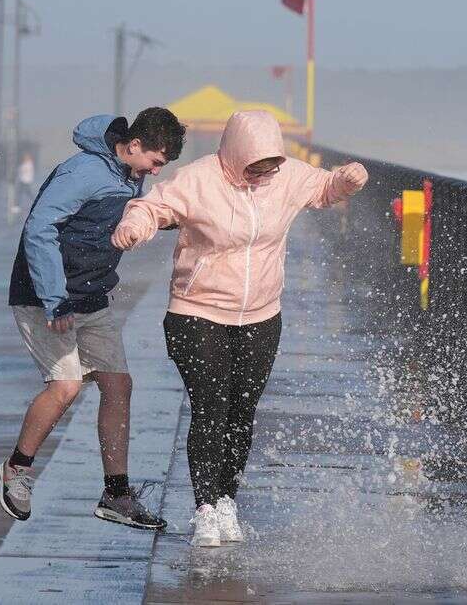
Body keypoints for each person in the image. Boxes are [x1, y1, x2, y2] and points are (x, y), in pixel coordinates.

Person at [111, 110, 368, 547]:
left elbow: (324, 189)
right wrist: (134, 226)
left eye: (271, 163)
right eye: (256, 164)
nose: (264, 172)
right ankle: (206, 509)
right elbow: (151, 206)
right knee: (210, 409)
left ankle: (228, 500)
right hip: (197, 312)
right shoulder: (199, 179)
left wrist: (346, 181)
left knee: (241, 413)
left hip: (261, 316)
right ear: (235, 154)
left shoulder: (285, 176)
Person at [0, 107, 186, 530]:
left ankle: (116, 496)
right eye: (155, 162)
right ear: (134, 145)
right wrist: (54, 298)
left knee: (118, 384)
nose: (154, 173)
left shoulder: (128, 173)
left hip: (91, 296)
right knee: (65, 386)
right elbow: (38, 229)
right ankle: (17, 469)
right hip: (46, 298)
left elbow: (122, 215)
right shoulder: (83, 171)